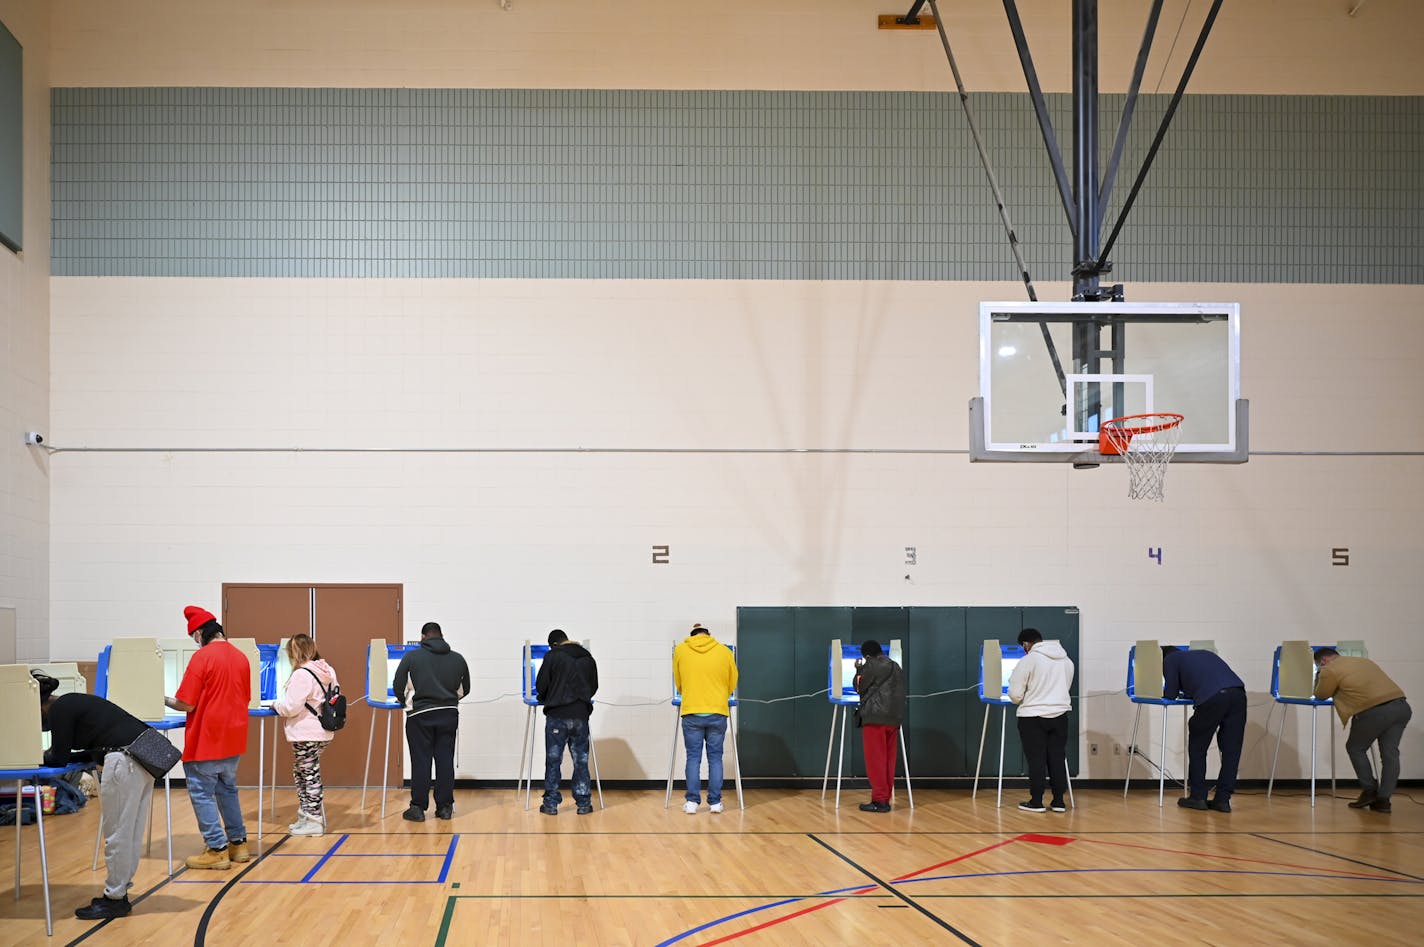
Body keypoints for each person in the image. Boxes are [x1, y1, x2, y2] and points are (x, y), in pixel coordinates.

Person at [35, 672, 152, 920]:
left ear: (41, 707)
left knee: (117, 834)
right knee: (129, 832)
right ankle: (120, 892)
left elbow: (58, 757)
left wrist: (33, 755)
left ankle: (115, 899)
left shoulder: (59, 710)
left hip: (123, 762)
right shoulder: (74, 701)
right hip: (143, 758)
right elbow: (85, 752)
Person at [164, 605, 252, 869]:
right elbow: (245, 697)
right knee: (228, 791)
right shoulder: (241, 657)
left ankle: (216, 849)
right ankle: (238, 845)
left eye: (195, 638)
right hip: (233, 738)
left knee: (202, 793)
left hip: (207, 739)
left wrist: (163, 699)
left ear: (200, 633)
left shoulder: (202, 658)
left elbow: (186, 703)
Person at [1313, 647, 1411, 813]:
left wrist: (1319, 675)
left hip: (1375, 711)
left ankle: (1369, 790)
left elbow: (1321, 694)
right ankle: (1383, 800)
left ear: (1323, 661)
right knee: (1390, 754)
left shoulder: (1329, 669)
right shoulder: (1363, 661)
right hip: (1401, 707)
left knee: (1355, 748)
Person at [391, 621, 470, 822]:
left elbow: (398, 683)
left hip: (420, 716)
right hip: (449, 715)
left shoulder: (412, 656)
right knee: (445, 760)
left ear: (423, 636)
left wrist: (403, 702)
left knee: (421, 761)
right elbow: (465, 689)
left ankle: (417, 808)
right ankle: (445, 808)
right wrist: (449, 701)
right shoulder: (458, 658)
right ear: (441, 635)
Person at [1160, 645, 1247, 813]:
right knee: (1231, 751)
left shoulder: (1170, 660)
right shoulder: (1203, 654)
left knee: (1198, 747)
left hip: (1212, 698)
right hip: (1238, 695)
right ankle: (1223, 800)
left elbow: (1170, 693)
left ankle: (1198, 797)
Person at [270, 633, 338, 835]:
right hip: (323, 730)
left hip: (305, 732)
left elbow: (291, 707)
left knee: (308, 775)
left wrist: (275, 704)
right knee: (303, 772)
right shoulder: (328, 670)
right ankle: (305, 816)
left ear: (295, 652)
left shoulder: (302, 674)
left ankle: (314, 821)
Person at [673, 623, 738, 814]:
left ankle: (692, 802)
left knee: (693, 758)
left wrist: (689, 694)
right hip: (717, 711)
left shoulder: (681, 650)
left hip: (692, 711)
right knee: (715, 758)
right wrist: (720, 696)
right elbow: (733, 679)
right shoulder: (723, 651)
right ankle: (715, 803)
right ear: (708, 635)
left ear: (691, 635)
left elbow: (678, 680)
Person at [1007, 628, 1074, 813]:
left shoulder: (1028, 660)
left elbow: (1015, 694)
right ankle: (1059, 801)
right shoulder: (1066, 660)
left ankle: (1036, 801)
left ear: (1026, 644)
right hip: (1060, 716)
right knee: (1057, 758)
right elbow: (1065, 687)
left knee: (1037, 760)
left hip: (1032, 717)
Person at [534, 628, 599, 816]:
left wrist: (548, 696)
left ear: (554, 644)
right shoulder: (587, 657)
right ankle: (584, 803)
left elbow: (541, 686)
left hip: (557, 716)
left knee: (553, 760)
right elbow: (593, 687)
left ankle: (551, 804)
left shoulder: (553, 656)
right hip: (580, 716)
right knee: (581, 761)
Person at [853, 640, 906, 813]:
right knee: (889, 762)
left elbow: (859, 686)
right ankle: (885, 798)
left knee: (876, 761)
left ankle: (879, 801)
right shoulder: (896, 666)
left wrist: (859, 669)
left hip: (875, 719)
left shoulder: (871, 665)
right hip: (893, 719)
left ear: (867, 655)